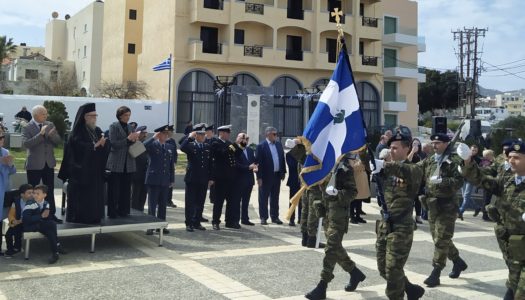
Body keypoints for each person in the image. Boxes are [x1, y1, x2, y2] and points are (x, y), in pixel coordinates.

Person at [458, 140, 525, 300]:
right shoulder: (507, 180)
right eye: (509, 157)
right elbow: (482, 179)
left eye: (516, 157)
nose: (510, 160)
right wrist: (468, 160)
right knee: (513, 276)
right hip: (512, 243)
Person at [372, 133, 426, 300]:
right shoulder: (387, 169)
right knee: (383, 268)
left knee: (393, 269)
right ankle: (411, 289)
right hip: (384, 225)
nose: (392, 151)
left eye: (395, 148)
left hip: (402, 227)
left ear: (407, 148)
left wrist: (385, 165)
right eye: (390, 148)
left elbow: (403, 170)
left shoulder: (414, 169)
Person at [305, 153, 366, 300]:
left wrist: (338, 193)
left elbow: (353, 192)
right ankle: (355, 273)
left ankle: (322, 285)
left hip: (338, 217)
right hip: (327, 214)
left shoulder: (345, 169)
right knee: (336, 248)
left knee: (331, 249)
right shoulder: (324, 167)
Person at [418, 133, 467, 287]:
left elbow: (459, 181)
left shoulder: (454, 161)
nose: (434, 145)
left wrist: (443, 181)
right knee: (439, 238)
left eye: (438, 143)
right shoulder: (431, 160)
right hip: (432, 205)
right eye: (433, 143)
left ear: (446, 144)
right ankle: (458, 262)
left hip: (447, 206)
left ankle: (436, 272)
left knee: (441, 239)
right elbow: (415, 169)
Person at [57, 103, 108, 224]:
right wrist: (94, 145)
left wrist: (104, 144)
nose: (95, 118)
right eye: (92, 116)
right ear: (85, 117)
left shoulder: (97, 130)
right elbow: (77, 148)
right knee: (82, 197)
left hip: (95, 170)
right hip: (80, 171)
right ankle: (80, 217)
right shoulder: (77, 131)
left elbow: (102, 146)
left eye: (96, 116)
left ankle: (94, 216)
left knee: (95, 195)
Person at [22, 105, 62, 223]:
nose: (46, 116)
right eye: (43, 114)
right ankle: (33, 215)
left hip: (48, 163)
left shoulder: (50, 124)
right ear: (36, 115)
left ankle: (51, 214)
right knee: (33, 191)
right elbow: (26, 144)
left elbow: (58, 141)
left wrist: (52, 135)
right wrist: (40, 135)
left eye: (46, 114)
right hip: (34, 164)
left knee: (49, 190)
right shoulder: (27, 127)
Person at [286, 137, 325, 248]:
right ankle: (312, 240)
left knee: (305, 213)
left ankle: (305, 238)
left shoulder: (302, 160)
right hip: (313, 189)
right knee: (313, 214)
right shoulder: (309, 160)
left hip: (305, 189)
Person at [106, 106, 139, 218]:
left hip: (128, 163)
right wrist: (128, 140)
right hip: (116, 162)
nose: (128, 117)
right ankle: (112, 212)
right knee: (114, 189)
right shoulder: (113, 126)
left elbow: (132, 144)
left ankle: (123, 210)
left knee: (126, 189)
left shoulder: (130, 127)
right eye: (125, 115)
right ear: (120, 115)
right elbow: (113, 144)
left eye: (129, 115)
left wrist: (135, 140)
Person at [180, 124, 213, 232]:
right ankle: (189, 223)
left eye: (204, 134)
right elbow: (182, 147)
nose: (203, 136)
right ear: (196, 135)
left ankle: (197, 222)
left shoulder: (207, 146)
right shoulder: (191, 145)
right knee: (190, 202)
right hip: (192, 178)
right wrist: (189, 137)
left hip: (203, 179)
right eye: (200, 134)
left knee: (200, 202)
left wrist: (211, 178)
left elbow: (210, 164)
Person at [22, 184, 65, 264]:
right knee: (51, 225)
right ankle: (57, 246)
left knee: (50, 230)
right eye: (34, 193)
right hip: (30, 226)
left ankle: (55, 253)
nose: (35, 195)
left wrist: (45, 216)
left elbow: (46, 217)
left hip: (41, 225)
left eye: (38, 193)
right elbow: (26, 220)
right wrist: (41, 216)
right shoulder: (30, 204)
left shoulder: (46, 203)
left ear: (44, 195)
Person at [144, 125, 175, 235]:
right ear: (159, 134)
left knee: (163, 205)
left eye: (167, 134)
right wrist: (153, 137)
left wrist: (172, 179)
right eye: (164, 133)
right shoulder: (152, 145)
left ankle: (161, 226)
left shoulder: (169, 147)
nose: (167, 135)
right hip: (153, 179)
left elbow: (171, 165)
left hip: (165, 180)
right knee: (152, 205)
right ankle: (151, 226)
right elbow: (142, 146)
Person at [210, 125, 242, 230]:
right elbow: (223, 153)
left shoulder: (229, 144)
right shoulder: (215, 143)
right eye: (227, 133)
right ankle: (215, 221)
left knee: (231, 201)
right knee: (219, 202)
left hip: (231, 178)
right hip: (221, 178)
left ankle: (229, 221)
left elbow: (238, 154)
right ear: (221, 133)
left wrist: (242, 143)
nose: (229, 135)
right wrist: (235, 143)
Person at [256, 126, 286, 225]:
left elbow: (282, 158)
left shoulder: (278, 145)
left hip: (277, 175)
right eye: (274, 134)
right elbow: (258, 163)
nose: (276, 136)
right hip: (265, 176)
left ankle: (275, 217)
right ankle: (263, 217)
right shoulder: (261, 146)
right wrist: (259, 177)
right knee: (263, 197)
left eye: (276, 134)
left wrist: (283, 172)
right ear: (268, 134)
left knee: (275, 197)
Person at [235, 132, 257, 226]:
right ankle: (235, 220)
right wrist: (248, 167)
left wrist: (256, 167)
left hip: (249, 180)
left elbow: (254, 162)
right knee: (236, 201)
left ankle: (245, 218)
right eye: (243, 138)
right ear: (238, 139)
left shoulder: (250, 150)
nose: (245, 140)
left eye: (247, 138)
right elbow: (236, 165)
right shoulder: (235, 150)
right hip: (239, 180)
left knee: (246, 201)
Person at [4, 184, 33, 257]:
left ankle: (17, 248)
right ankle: (10, 249)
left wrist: (23, 220)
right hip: (18, 222)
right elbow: (11, 214)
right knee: (8, 234)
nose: (31, 195)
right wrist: (13, 221)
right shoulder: (16, 202)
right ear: (22, 195)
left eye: (32, 192)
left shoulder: (34, 202)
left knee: (18, 233)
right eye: (29, 193)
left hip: (29, 223)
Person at [1, 127, 16, 256]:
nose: (1, 140)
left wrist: (10, 164)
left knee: (1, 219)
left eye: (2, 137)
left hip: (3, 190)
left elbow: (13, 171)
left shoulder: (5, 151)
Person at [458, 144, 482, 220]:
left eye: (475, 150)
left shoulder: (478, 159)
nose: (473, 152)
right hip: (464, 179)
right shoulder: (464, 157)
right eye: (472, 150)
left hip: (471, 180)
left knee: (466, 196)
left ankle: (460, 211)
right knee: (465, 196)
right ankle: (477, 207)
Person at [408, 138, 427, 224]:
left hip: (420, 181)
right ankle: (410, 216)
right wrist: (412, 152)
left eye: (417, 144)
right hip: (411, 181)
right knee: (411, 200)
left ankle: (418, 216)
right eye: (414, 144)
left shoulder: (422, 154)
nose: (416, 146)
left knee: (419, 200)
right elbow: (407, 162)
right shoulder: (408, 153)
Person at [131, 126, 149, 212]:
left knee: (143, 196)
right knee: (135, 196)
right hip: (136, 175)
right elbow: (134, 154)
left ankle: (141, 211)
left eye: (146, 133)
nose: (145, 135)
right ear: (138, 134)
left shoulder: (146, 143)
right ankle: (134, 213)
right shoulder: (134, 143)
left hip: (145, 175)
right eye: (143, 133)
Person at [285, 145, 301, 227]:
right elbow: (292, 166)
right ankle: (291, 219)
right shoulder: (289, 155)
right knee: (293, 201)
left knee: (302, 201)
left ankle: (301, 218)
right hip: (294, 181)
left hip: (302, 182)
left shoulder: (305, 154)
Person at [165, 129, 179, 209]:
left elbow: (175, 153)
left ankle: (169, 200)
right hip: (164, 166)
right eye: (171, 131)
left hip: (171, 165)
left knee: (171, 183)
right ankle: (160, 201)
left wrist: (174, 161)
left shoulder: (172, 141)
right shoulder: (163, 140)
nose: (172, 133)